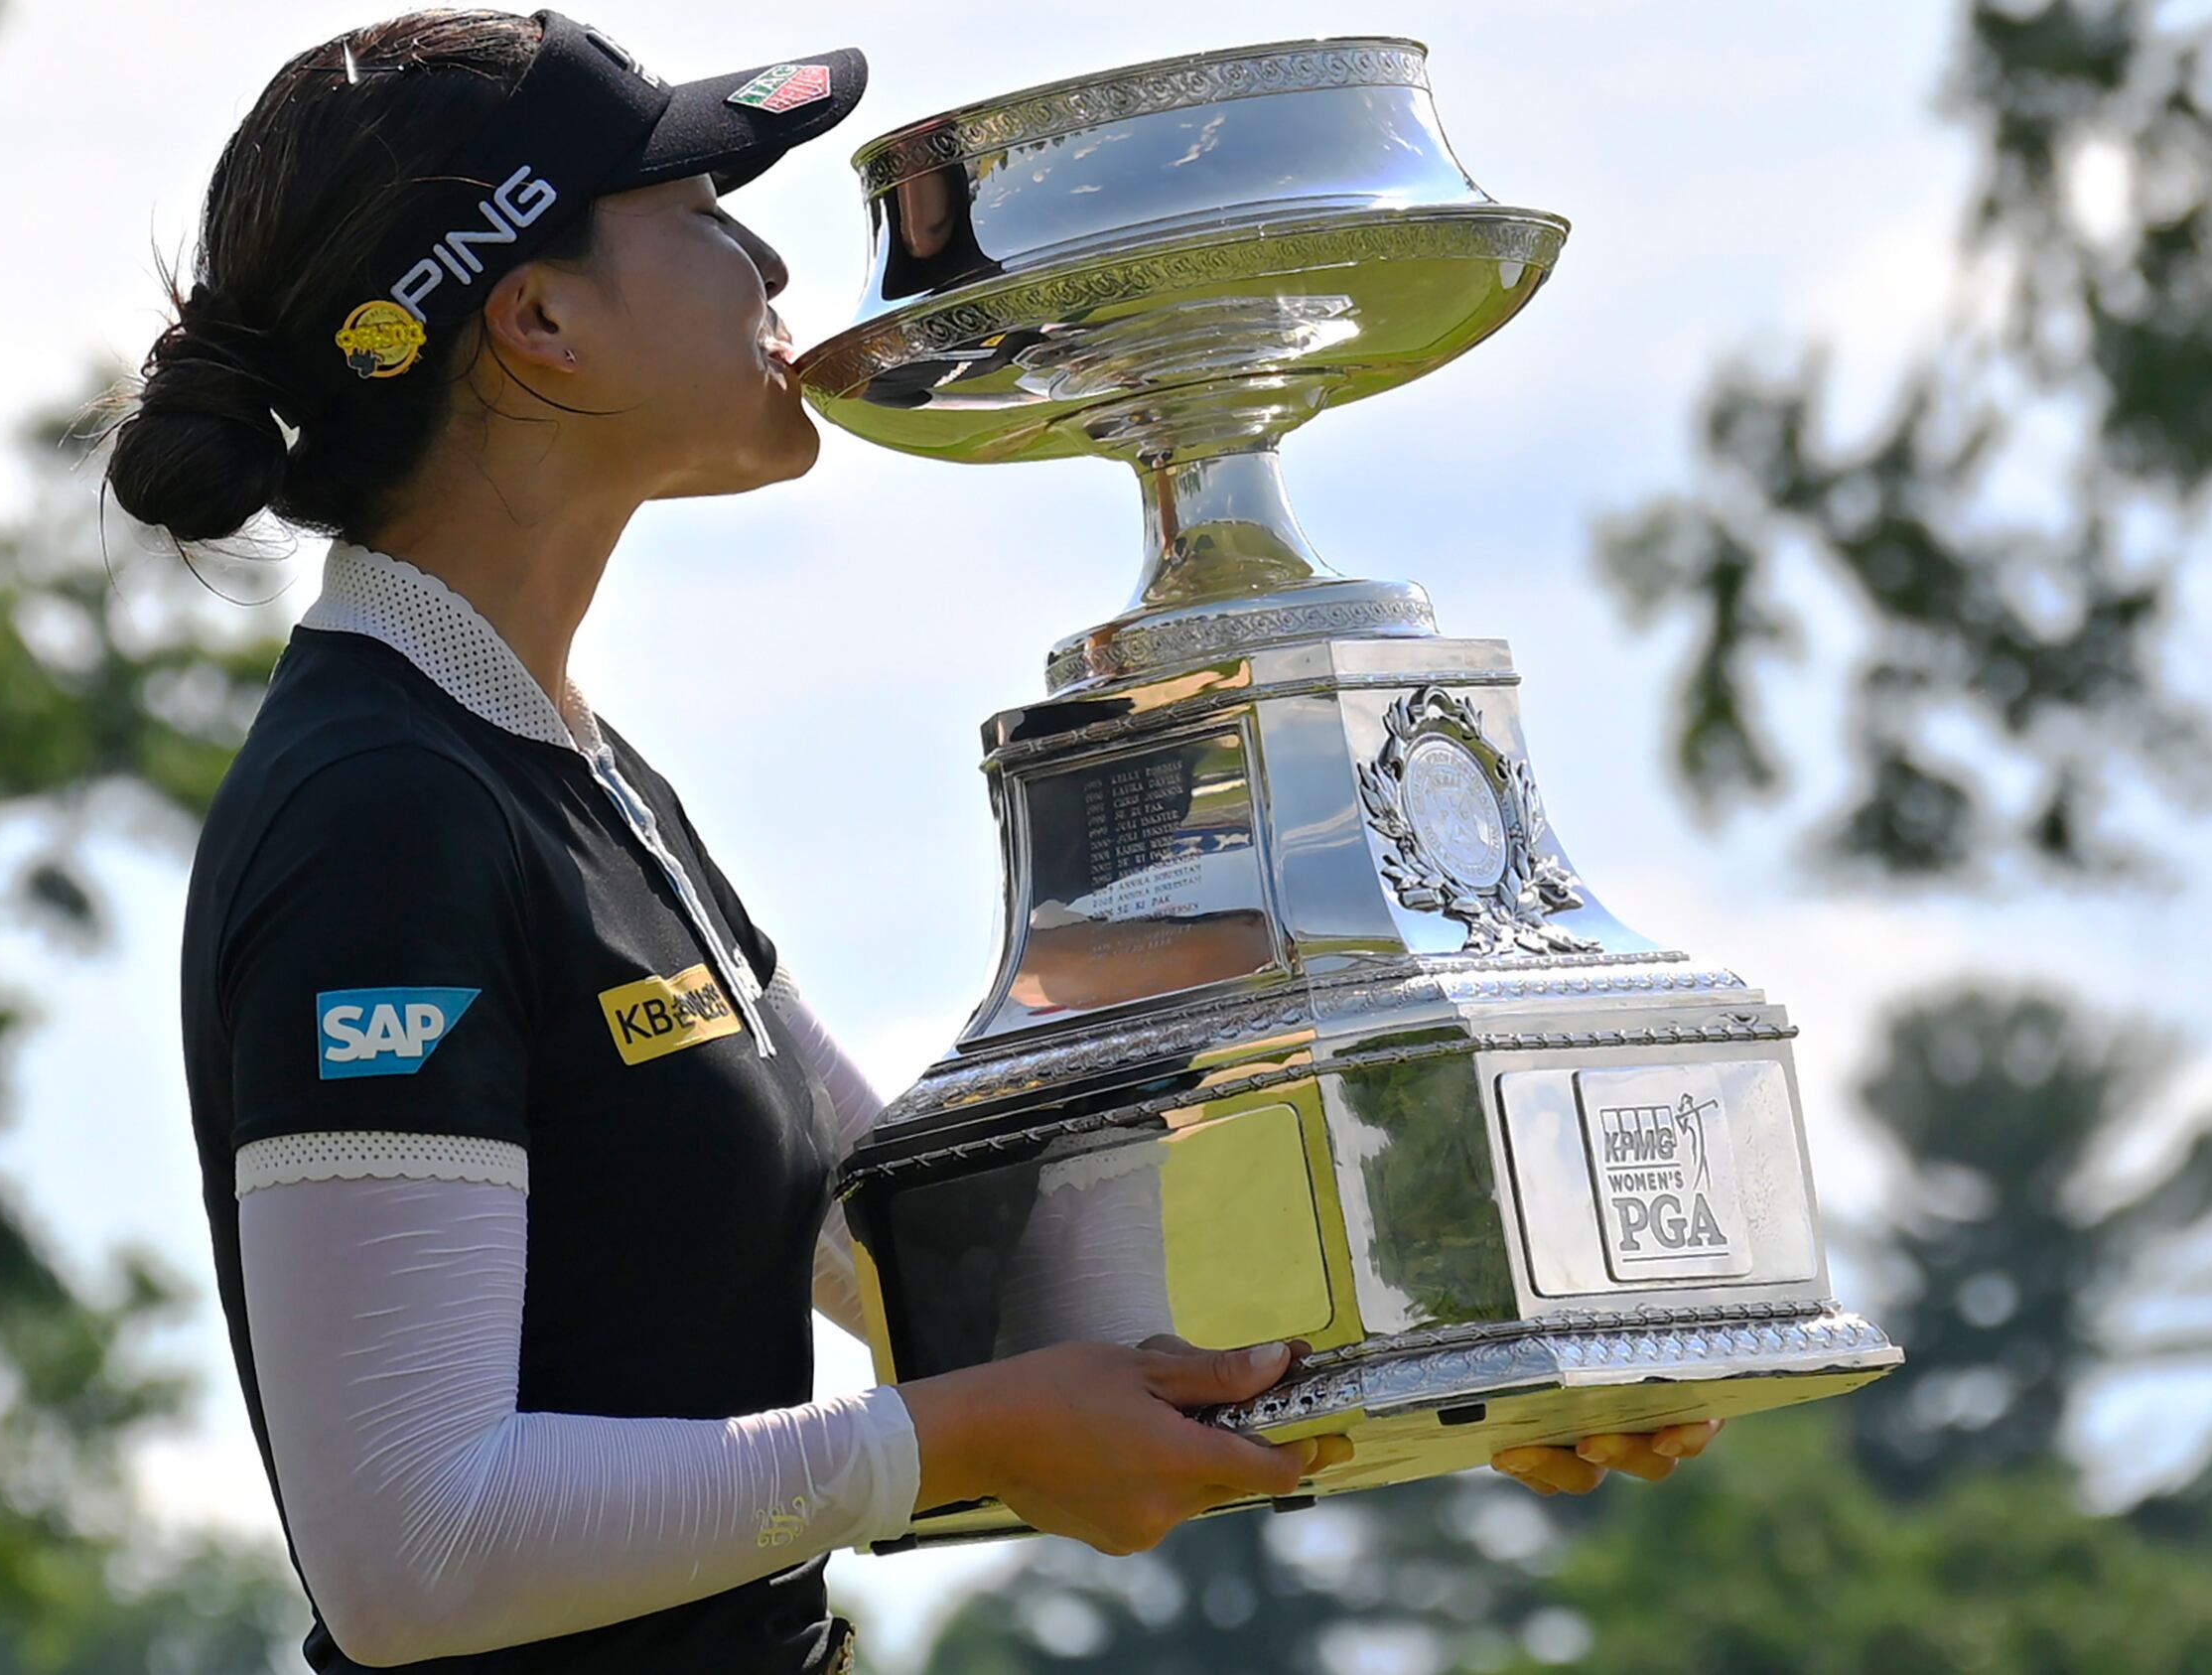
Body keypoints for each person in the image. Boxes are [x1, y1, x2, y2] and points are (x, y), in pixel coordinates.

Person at [98, 11, 1719, 1672]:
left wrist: (1456, 1363)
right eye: (700, 213)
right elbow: (410, 1554)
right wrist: (943, 1447)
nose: (766, 262)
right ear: (540, 318)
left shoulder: (566, 767)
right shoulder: (381, 816)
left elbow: (930, 1266)